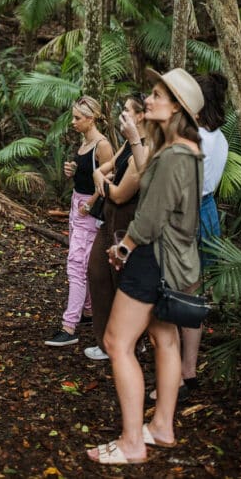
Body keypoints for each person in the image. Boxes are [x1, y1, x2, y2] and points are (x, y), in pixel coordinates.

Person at [87, 68, 204, 465]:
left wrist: (124, 247)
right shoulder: (185, 150)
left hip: (152, 257)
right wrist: (137, 141)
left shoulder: (174, 155)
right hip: (175, 259)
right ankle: (162, 427)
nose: (149, 100)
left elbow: (151, 215)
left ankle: (132, 441)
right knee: (164, 338)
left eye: (157, 95)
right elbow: (152, 183)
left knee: (117, 342)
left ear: (176, 108)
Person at [147, 72, 229, 403]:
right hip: (208, 212)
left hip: (186, 215)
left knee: (171, 296)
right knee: (192, 297)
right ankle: (188, 370)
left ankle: (174, 378)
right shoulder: (219, 138)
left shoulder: (194, 141)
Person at [45, 96, 113, 347]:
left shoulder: (102, 144)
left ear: (91, 118)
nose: (73, 122)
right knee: (80, 263)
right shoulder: (85, 142)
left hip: (89, 210)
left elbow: (110, 176)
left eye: (77, 118)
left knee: (76, 265)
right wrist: (73, 170)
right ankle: (87, 311)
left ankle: (68, 326)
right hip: (77, 205)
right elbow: (88, 173)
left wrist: (91, 202)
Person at [84, 94, 148, 361]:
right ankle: (106, 341)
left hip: (126, 221)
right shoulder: (126, 144)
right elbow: (104, 169)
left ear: (141, 115)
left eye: (127, 110)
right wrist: (100, 175)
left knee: (121, 280)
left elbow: (121, 193)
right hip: (108, 217)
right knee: (97, 272)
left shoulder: (144, 149)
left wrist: (104, 183)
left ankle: (132, 341)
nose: (122, 113)